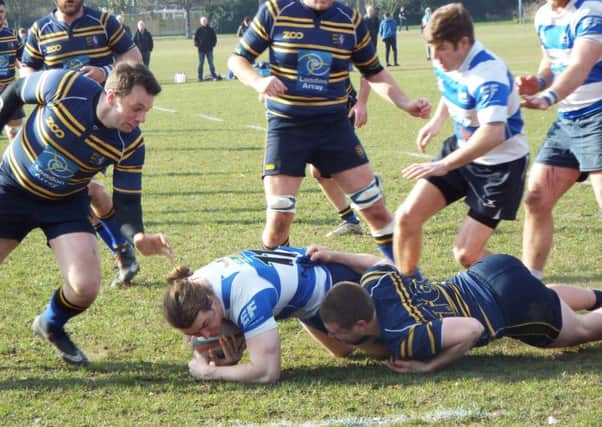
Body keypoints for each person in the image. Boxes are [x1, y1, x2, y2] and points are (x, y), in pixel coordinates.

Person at [228, 0, 431, 261]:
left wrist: (406, 103)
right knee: (279, 218)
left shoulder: (349, 19)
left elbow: (373, 71)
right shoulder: (277, 10)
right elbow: (237, 59)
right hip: (287, 126)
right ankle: (285, 285)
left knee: (376, 210)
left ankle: (408, 284)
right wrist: (259, 81)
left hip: (334, 127)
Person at [0, 62, 172, 365]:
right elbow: (14, 92)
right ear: (111, 96)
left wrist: (139, 236)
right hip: (11, 189)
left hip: (64, 204)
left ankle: (50, 323)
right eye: (136, 108)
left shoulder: (130, 142)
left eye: (147, 111)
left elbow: (128, 201)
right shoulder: (65, 87)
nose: (141, 118)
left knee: (85, 288)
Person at [394, 3, 528, 276]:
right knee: (406, 218)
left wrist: (443, 165)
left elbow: (493, 133)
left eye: (442, 48)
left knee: (466, 254)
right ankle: (406, 292)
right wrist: (437, 122)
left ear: (464, 43)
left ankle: (525, 284)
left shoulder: (488, 74)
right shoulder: (445, 60)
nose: (435, 57)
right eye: (431, 48)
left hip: (499, 167)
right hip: (461, 151)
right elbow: (453, 88)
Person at [317, 247, 602, 374]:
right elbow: (378, 263)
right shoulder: (375, 285)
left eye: (338, 333)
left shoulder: (402, 337)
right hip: (488, 269)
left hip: (510, 301)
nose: (335, 338)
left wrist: (431, 365)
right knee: (545, 295)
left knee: (581, 330)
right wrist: (334, 255)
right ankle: (597, 296)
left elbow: (472, 328)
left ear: (362, 323)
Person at [21, 0, 145, 287]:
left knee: (81, 193)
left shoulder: (103, 21)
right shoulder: (40, 30)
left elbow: (134, 56)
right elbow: (27, 71)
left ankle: (122, 251)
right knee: (89, 194)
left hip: (102, 125)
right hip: (61, 130)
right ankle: (123, 251)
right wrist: (47, 85)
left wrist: (105, 71)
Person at [163, 245, 385, 383]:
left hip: (335, 286)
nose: (206, 333)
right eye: (195, 331)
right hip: (305, 294)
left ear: (211, 302)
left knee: (388, 353)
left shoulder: (246, 293)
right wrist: (228, 360)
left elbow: (267, 372)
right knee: (342, 350)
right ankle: (296, 305)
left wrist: (210, 373)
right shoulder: (192, 287)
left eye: (204, 324)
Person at [516, 0, 602, 280]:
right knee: (537, 198)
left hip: (598, 116)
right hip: (568, 120)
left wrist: (548, 96)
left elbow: (580, 65)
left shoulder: (591, 12)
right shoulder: (543, 16)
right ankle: (532, 283)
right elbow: (552, 64)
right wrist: (538, 83)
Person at [0, 0, 24, 143]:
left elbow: (26, 61)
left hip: (9, 90)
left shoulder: (13, 35)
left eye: (1, 12)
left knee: (15, 129)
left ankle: (11, 163)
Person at [194, 16, 220, 81]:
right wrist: (198, 45)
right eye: (203, 21)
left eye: (205, 21)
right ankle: (200, 77)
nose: (204, 22)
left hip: (209, 49)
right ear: (201, 22)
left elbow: (214, 38)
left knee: (211, 63)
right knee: (201, 64)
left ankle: (214, 76)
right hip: (201, 50)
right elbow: (195, 39)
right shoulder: (199, 30)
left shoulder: (211, 30)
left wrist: (212, 45)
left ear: (207, 21)